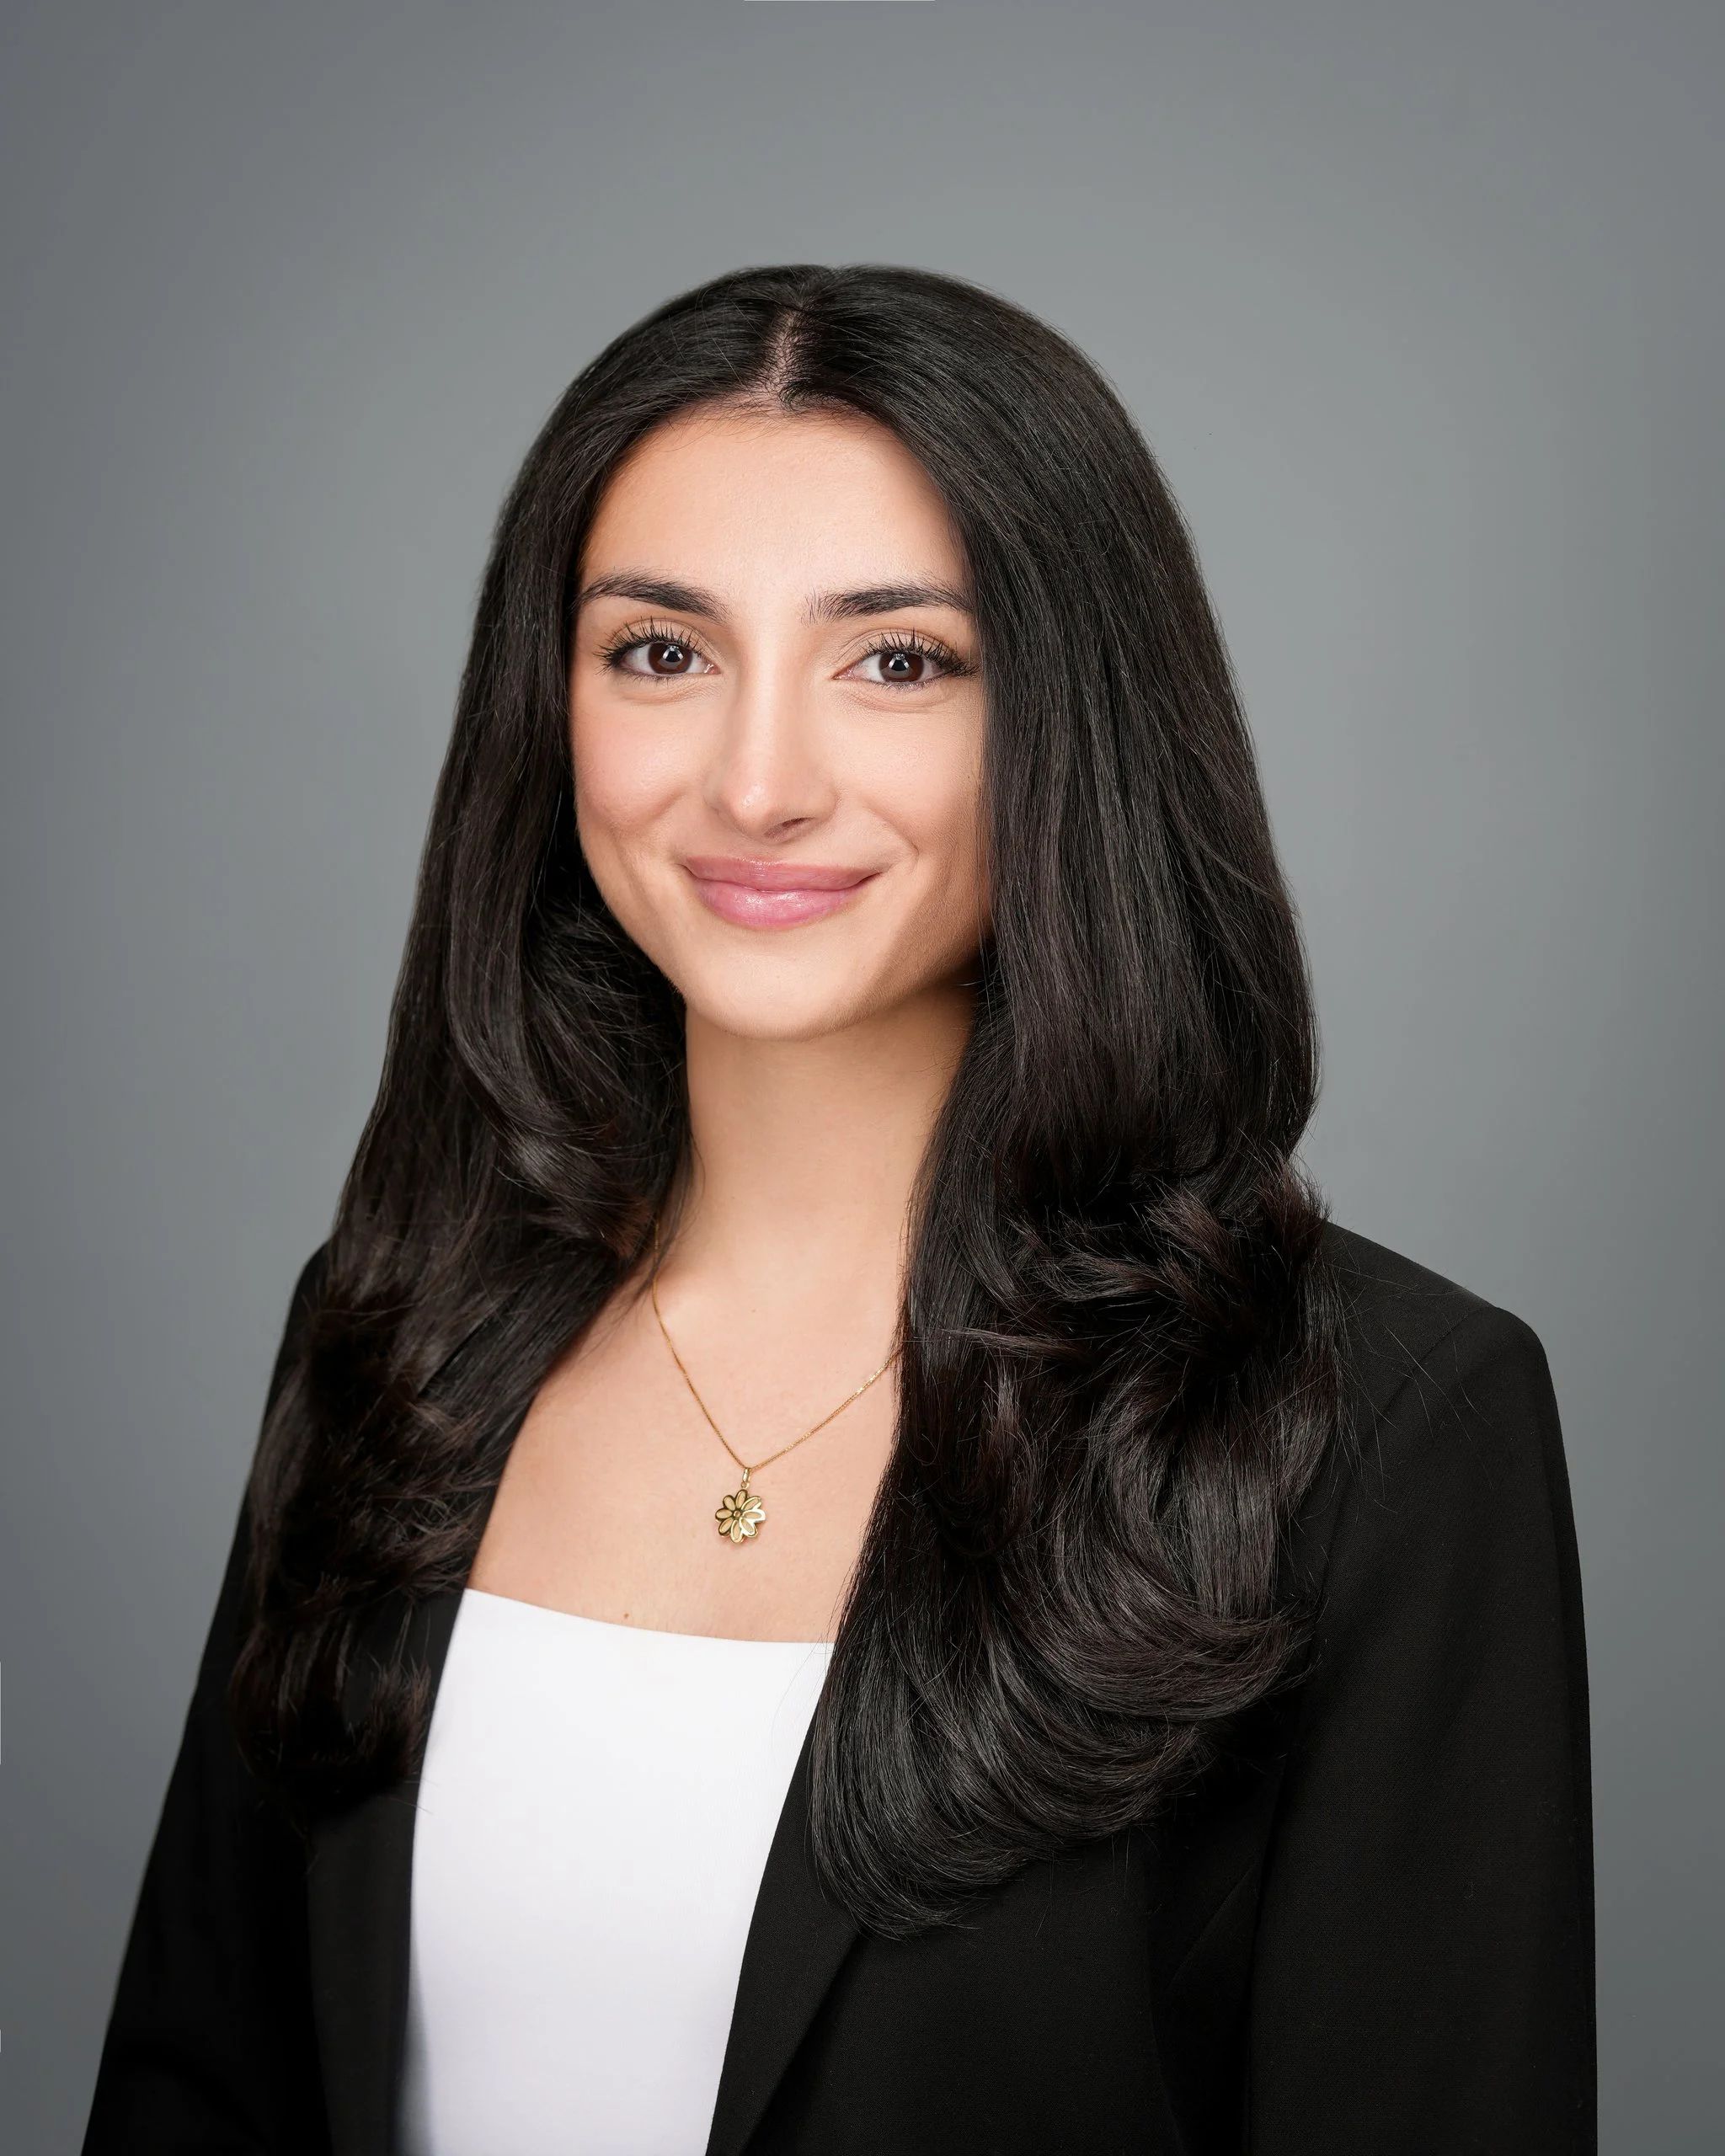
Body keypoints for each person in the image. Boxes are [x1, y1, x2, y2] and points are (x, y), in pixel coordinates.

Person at [81, 263, 1595, 2156]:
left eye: (897, 661)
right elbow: (200, 2083)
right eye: (661, 651)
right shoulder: (399, 1323)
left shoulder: (1384, 1428)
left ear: (1072, 721)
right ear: (548, 708)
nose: (757, 782)